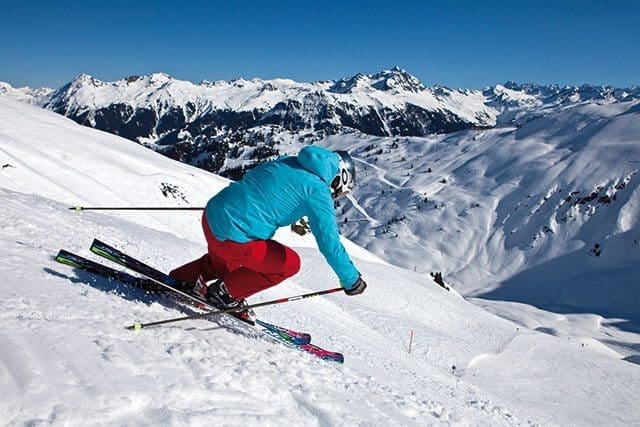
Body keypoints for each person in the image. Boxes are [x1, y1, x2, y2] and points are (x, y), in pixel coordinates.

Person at [169, 146, 367, 318]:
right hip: (234, 238)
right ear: (340, 177)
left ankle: (184, 277)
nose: (336, 195)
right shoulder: (318, 192)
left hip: (212, 215)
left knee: (225, 264)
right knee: (289, 263)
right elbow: (328, 241)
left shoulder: (290, 161)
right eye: (341, 191)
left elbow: (256, 183)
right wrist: (351, 279)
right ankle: (225, 294)